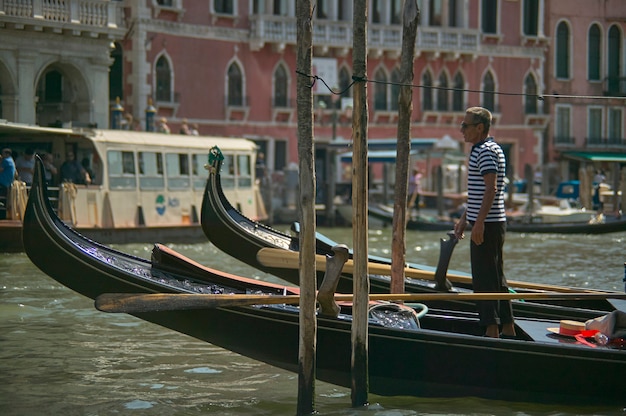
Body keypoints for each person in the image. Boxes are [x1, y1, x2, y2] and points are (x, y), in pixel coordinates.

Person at [453, 106, 515, 339]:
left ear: (479, 128)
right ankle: (507, 326)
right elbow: (478, 193)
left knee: (484, 277)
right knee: (496, 275)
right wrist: (464, 220)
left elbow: (491, 189)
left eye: (465, 126)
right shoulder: (488, 148)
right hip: (491, 222)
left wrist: (477, 224)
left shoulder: (485, 151)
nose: (462, 130)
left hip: (488, 224)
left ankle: (491, 330)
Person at [0, 148, 17, 220]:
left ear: (7, 154)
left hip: (2, 183)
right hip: (7, 183)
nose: (2, 155)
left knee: (1, 200)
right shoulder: (11, 160)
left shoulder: (6, 161)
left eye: (3, 154)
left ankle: (2, 215)